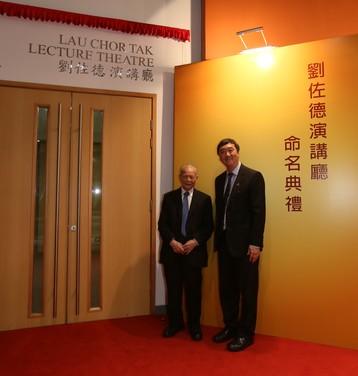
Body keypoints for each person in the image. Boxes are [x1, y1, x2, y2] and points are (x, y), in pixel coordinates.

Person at [212, 138, 266, 352]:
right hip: (225, 244)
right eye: (223, 151)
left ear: (238, 152)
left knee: (248, 291)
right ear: (219, 156)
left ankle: (246, 334)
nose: (227, 154)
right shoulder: (219, 180)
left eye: (230, 150)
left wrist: (256, 244)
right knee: (227, 290)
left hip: (246, 247)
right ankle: (230, 327)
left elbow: (259, 213)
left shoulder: (253, 177)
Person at [158, 164, 214, 341]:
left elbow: (209, 227)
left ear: (197, 178)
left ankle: (195, 326)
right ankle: (175, 323)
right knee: (173, 291)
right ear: (180, 177)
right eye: (185, 176)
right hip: (172, 252)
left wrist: (195, 241)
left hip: (194, 254)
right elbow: (162, 224)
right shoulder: (169, 198)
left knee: (194, 293)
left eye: (192, 177)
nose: (189, 180)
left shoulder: (205, 199)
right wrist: (172, 241)